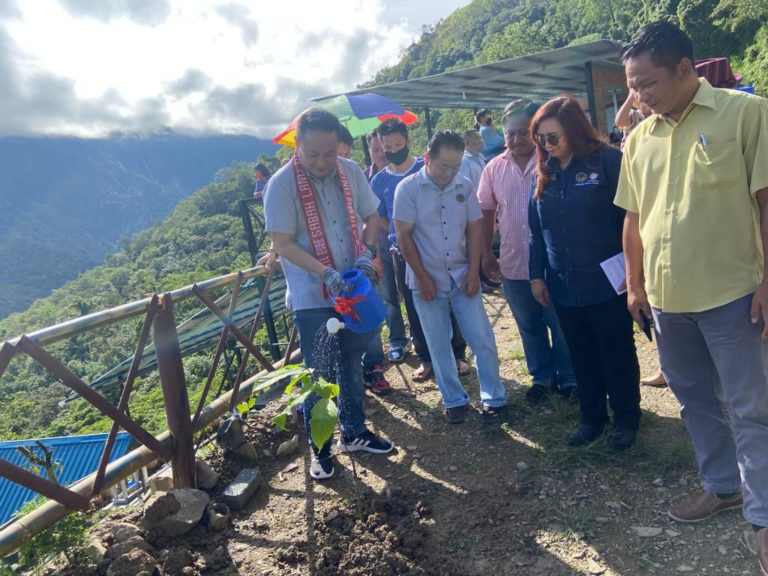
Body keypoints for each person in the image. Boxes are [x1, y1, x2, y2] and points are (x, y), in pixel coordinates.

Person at [616, 22, 768, 572]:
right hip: (666, 297)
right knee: (693, 399)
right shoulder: (638, 138)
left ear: (685, 69)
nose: (640, 96)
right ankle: (722, 485)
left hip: (733, 294)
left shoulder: (744, 114)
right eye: (633, 86)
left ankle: (764, 517)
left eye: (648, 83)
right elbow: (634, 218)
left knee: (752, 407)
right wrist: (635, 284)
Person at [263, 108, 394, 480]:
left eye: (329, 153)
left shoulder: (351, 172)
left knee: (352, 361)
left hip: (353, 288)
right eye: (313, 154)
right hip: (312, 296)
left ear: (338, 145)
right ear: (298, 145)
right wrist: (325, 273)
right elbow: (283, 244)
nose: (322, 162)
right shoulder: (281, 184)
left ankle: (354, 432)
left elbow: (372, 217)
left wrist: (368, 254)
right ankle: (320, 451)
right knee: (317, 372)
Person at [529, 95, 641, 450]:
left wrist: (635, 273)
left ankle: (626, 418)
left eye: (553, 138)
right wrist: (537, 275)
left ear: (574, 131)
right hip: (564, 284)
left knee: (616, 351)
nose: (546, 146)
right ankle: (592, 417)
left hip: (609, 280)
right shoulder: (545, 172)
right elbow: (537, 230)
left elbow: (632, 220)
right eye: (541, 139)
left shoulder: (607, 162)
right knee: (581, 352)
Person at [394, 130, 507, 424]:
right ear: (428, 157)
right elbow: (404, 238)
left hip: (461, 275)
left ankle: (494, 397)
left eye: (455, 166)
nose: (449, 172)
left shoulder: (464, 185)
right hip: (425, 280)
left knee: (482, 338)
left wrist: (474, 271)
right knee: (438, 343)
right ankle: (454, 399)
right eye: (443, 165)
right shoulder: (407, 189)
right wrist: (423, 278)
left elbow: (473, 229)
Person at [478, 100, 577, 405]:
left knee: (560, 324)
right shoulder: (494, 168)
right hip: (513, 264)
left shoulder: (552, 162)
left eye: (524, 133)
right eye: (510, 133)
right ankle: (542, 378)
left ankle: (570, 378)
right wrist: (485, 254)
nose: (517, 140)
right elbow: (485, 212)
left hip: (554, 265)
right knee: (529, 325)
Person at [373, 119, 471, 382]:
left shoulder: (426, 167)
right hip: (402, 251)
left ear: (408, 141)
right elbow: (380, 215)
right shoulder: (379, 181)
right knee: (415, 307)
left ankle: (458, 353)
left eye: (398, 143)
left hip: (438, 246)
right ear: (380, 147)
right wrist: (396, 229)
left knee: (450, 298)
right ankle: (426, 358)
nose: (393, 149)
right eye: (387, 146)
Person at [615, 90, 667, 388]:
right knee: (651, 296)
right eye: (640, 94)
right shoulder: (636, 129)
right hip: (643, 224)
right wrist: (631, 97)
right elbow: (621, 118)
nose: (646, 99)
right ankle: (666, 366)